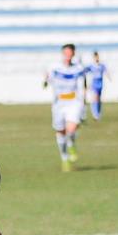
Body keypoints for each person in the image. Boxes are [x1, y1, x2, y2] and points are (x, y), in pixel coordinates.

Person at [43, 44, 87, 172]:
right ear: (63, 54)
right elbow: (47, 81)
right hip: (59, 103)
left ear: (73, 54)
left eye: (70, 54)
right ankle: (64, 157)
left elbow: (82, 85)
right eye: (66, 53)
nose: (68, 56)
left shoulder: (78, 69)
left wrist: (83, 102)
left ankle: (71, 144)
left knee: (71, 129)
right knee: (61, 131)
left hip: (73, 102)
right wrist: (45, 80)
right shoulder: (55, 68)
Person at [86, 51, 111, 121]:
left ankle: (98, 113)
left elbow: (106, 72)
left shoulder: (101, 65)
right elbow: (84, 71)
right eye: (95, 57)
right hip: (94, 84)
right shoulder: (91, 66)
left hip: (100, 84)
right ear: (93, 58)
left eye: (97, 56)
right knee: (95, 98)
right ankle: (95, 114)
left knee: (99, 100)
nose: (96, 58)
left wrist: (110, 78)